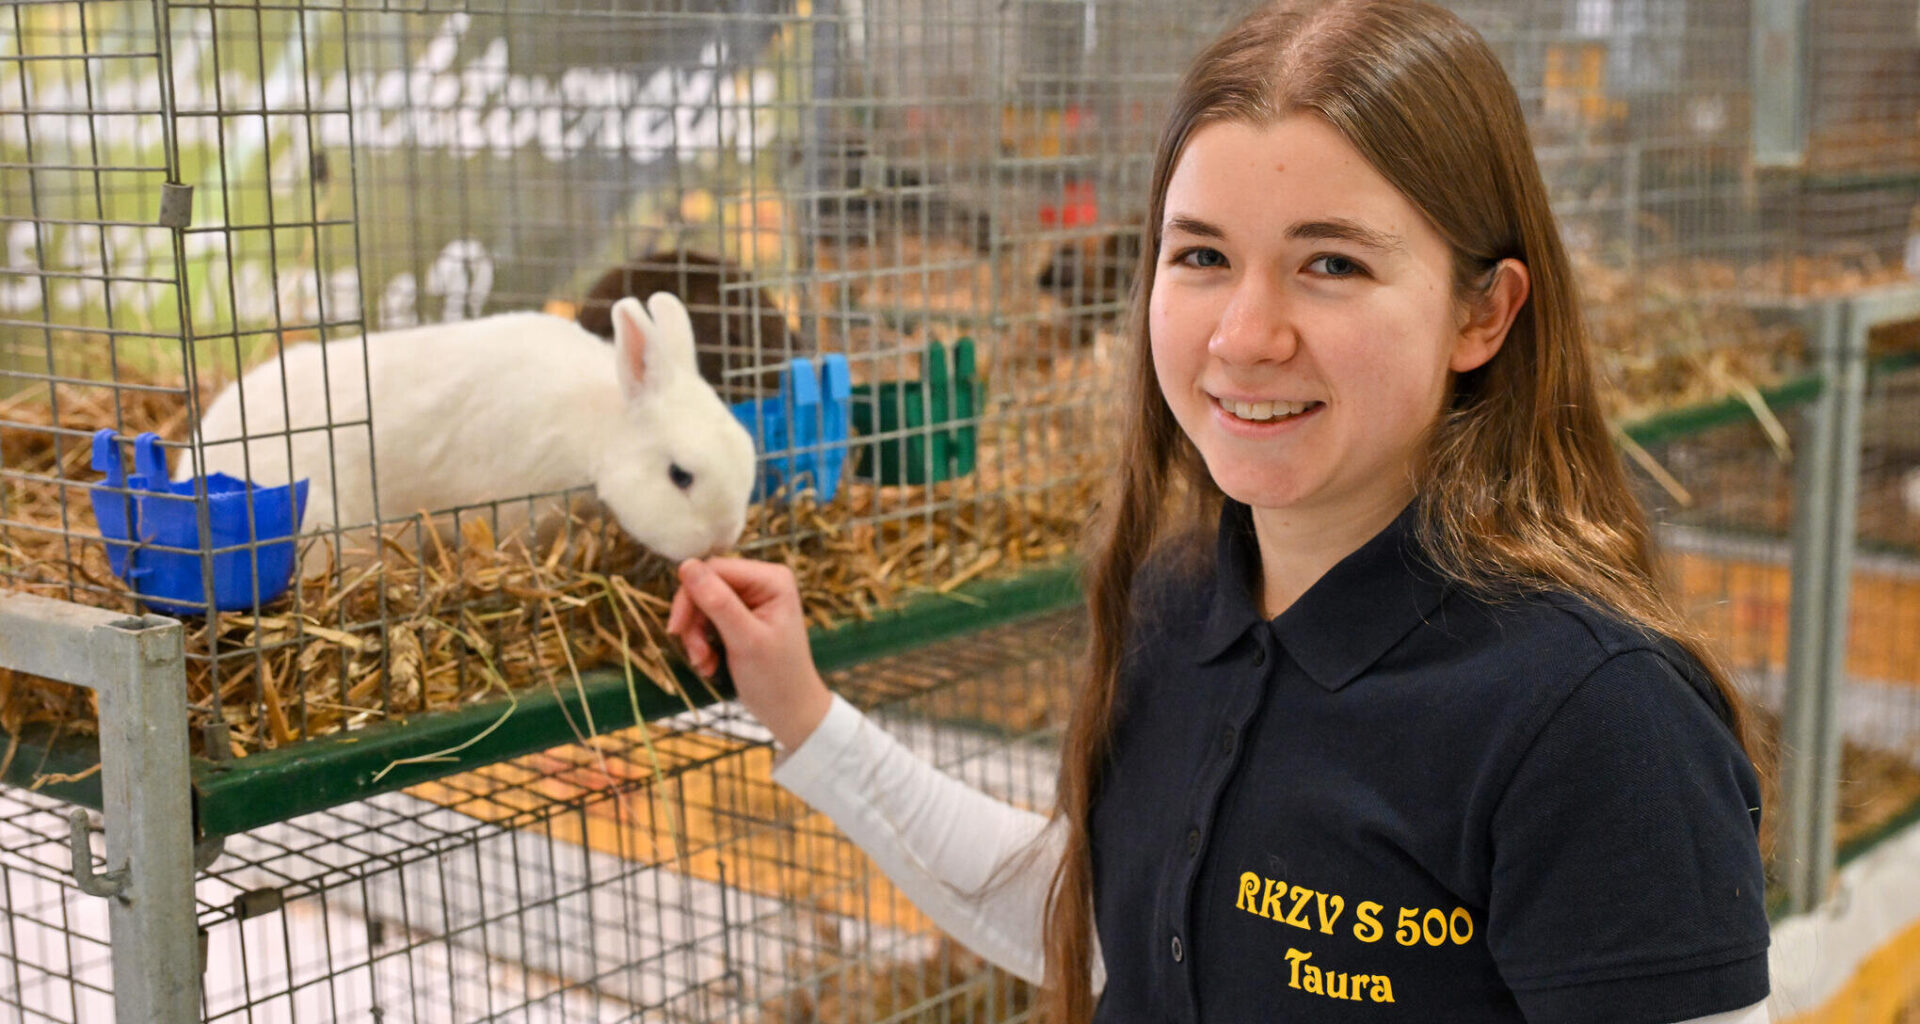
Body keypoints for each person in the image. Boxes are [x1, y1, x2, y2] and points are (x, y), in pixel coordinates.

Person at [666, 1, 1773, 1020]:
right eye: (1200, 255)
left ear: (1484, 313)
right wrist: (807, 715)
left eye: (1330, 262)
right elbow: (1107, 923)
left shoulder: (1596, 720)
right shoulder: (1182, 599)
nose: (1244, 335)